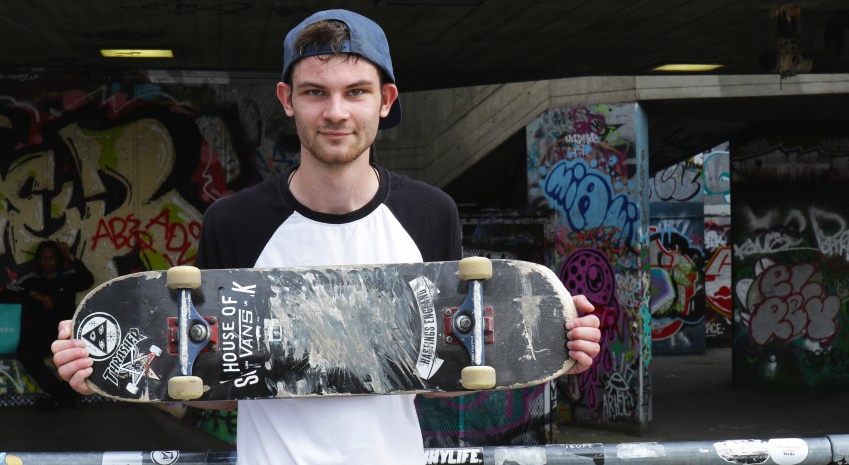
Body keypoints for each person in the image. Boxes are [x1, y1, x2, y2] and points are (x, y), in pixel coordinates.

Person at [52, 9, 602, 464]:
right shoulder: (235, 223)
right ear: (287, 100)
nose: (335, 112)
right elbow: (221, 385)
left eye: (355, 92)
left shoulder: (429, 214)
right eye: (315, 92)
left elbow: (436, 373)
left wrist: (555, 349)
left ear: (385, 102)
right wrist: (112, 372)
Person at [8, 240, 93, 411]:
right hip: (42, 333)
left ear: (58, 260)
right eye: (43, 258)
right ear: (38, 260)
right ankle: (63, 396)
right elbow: (8, 290)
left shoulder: (68, 278)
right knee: (25, 352)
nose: (47, 262)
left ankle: (62, 396)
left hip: (67, 334)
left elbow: (88, 280)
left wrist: (70, 255)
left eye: (52, 258)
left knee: (79, 356)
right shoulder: (31, 279)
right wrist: (35, 294)